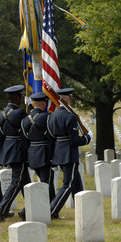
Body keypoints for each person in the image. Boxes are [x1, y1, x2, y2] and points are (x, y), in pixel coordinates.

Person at [47, 88, 92, 219]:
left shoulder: (51, 116)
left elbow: (51, 138)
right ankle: (52, 210)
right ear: (67, 99)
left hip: (58, 154)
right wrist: (88, 138)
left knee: (76, 183)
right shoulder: (70, 117)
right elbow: (75, 140)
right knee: (68, 184)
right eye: (70, 98)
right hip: (69, 154)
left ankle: (84, 210)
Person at [0, 84, 31, 221]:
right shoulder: (20, 113)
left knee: (26, 182)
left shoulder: (0, 115)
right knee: (17, 181)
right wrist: (31, 107)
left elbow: (0, 135)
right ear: (18, 99)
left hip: (7, 149)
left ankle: (28, 210)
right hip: (18, 149)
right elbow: (27, 126)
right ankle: (1, 209)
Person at [21, 91, 56, 203]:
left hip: (32, 154)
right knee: (46, 184)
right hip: (44, 154)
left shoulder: (25, 120)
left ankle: (52, 209)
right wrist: (52, 156)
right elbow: (51, 139)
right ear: (44, 104)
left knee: (46, 183)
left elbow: (24, 141)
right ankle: (28, 211)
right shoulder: (48, 117)